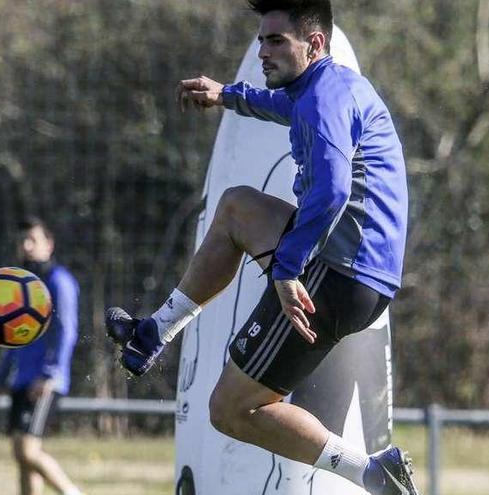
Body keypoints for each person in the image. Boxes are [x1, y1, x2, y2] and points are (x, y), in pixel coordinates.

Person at [105, 1, 419, 494]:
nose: (263, 50)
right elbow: (281, 106)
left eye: (276, 41)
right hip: (349, 268)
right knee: (238, 209)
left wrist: (287, 269)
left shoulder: (323, 102)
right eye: (261, 40)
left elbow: (332, 190)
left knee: (230, 410)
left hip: (338, 278)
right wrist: (225, 94)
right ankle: (153, 333)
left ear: (314, 44)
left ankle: (372, 473)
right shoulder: (324, 86)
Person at [0, 216, 85, 495]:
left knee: (27, 450)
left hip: (44, 381)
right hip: (22, 379)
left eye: (33, 240)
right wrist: (0, 379)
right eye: (21, 241)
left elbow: (66, 331)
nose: (26, 246)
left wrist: (50, 374)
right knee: (22, 457)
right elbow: (13, 337)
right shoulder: (19, 287)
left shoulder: (59, 281)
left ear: (49, 245)